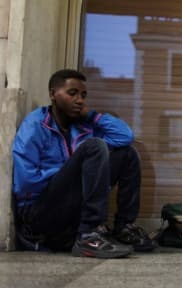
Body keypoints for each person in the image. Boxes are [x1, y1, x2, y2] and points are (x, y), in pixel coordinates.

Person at [12, 69, 155, 258]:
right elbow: (25, 184)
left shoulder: (82, 127)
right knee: (94, 147)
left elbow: (125, 137)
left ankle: (123, 228)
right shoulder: (36, 125)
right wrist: (72, 170)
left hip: (69, 210)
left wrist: (92, 115)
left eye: (83, 95)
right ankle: (89, 234)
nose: (79, 100)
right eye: (72, 94)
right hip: (38, 213)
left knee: (127, 154)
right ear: (53, 94)